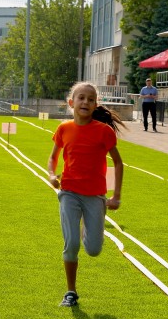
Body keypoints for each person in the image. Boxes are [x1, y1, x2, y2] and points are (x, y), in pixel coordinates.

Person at [48, 82, 124, 307]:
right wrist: (51, 174)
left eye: (91, 99)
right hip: (69, 192)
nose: (85, 102)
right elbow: (53, 157)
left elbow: (118, 163)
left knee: (93, 249)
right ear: (71, 103)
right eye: (81, 98)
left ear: (95, 105)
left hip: (95, 195)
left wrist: (116, 195)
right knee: (71, 244)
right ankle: (71, 292)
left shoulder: (104, 131)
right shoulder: (64, 129)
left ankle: (86, 228)